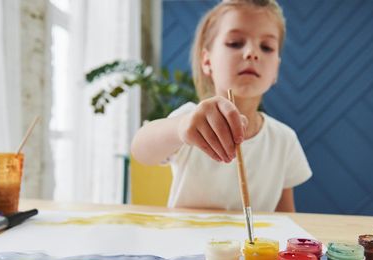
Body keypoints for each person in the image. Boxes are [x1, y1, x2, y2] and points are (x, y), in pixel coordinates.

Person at [131, 0, 312, 212]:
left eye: (267, 47)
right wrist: (180, 128)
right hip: (187, 243)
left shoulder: (284, 140)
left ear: (276, 71)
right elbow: (140, 150)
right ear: (207, 61)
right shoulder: (191, 121)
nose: (252, 53)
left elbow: (286, 221)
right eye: (235, 43)